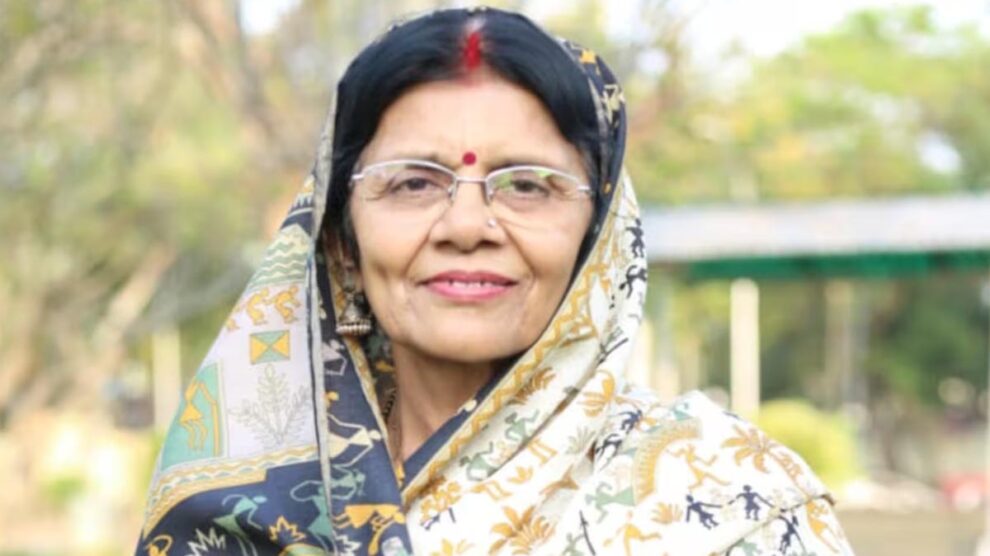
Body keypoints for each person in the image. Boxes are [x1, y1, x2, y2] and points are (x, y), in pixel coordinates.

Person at [136, 7, 855, 555]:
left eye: (528, 185)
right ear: (342, 242)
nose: (467, 225)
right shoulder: (242, 502)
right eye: (414, 183)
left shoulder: (728, 501)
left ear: (598, 239)